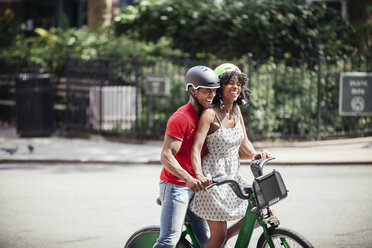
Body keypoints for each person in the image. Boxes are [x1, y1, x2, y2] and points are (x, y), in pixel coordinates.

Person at [189, 63, 271, 248]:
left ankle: (228, 238)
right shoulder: (210, 114)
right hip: (214, 180)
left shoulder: (236, 111)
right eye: (230, 83)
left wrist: (254, 153)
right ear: (220, 87)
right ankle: (223, 239)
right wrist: (199, 175)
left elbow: (244, 142)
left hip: (233, 175)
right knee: (217, 239)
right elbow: (196, 148)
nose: (236, 87)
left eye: (238, 83)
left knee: (263, 211)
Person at [153, 65, 220, 248]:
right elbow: (166, 156)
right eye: (207, 91)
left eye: (214, 91)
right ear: (192, 90)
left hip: (197, 186)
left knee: (207, 241)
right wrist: (188, 178)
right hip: (176, 186)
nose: (212, 95)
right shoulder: (181, 118)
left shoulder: (207, 116)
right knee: (168, 240)